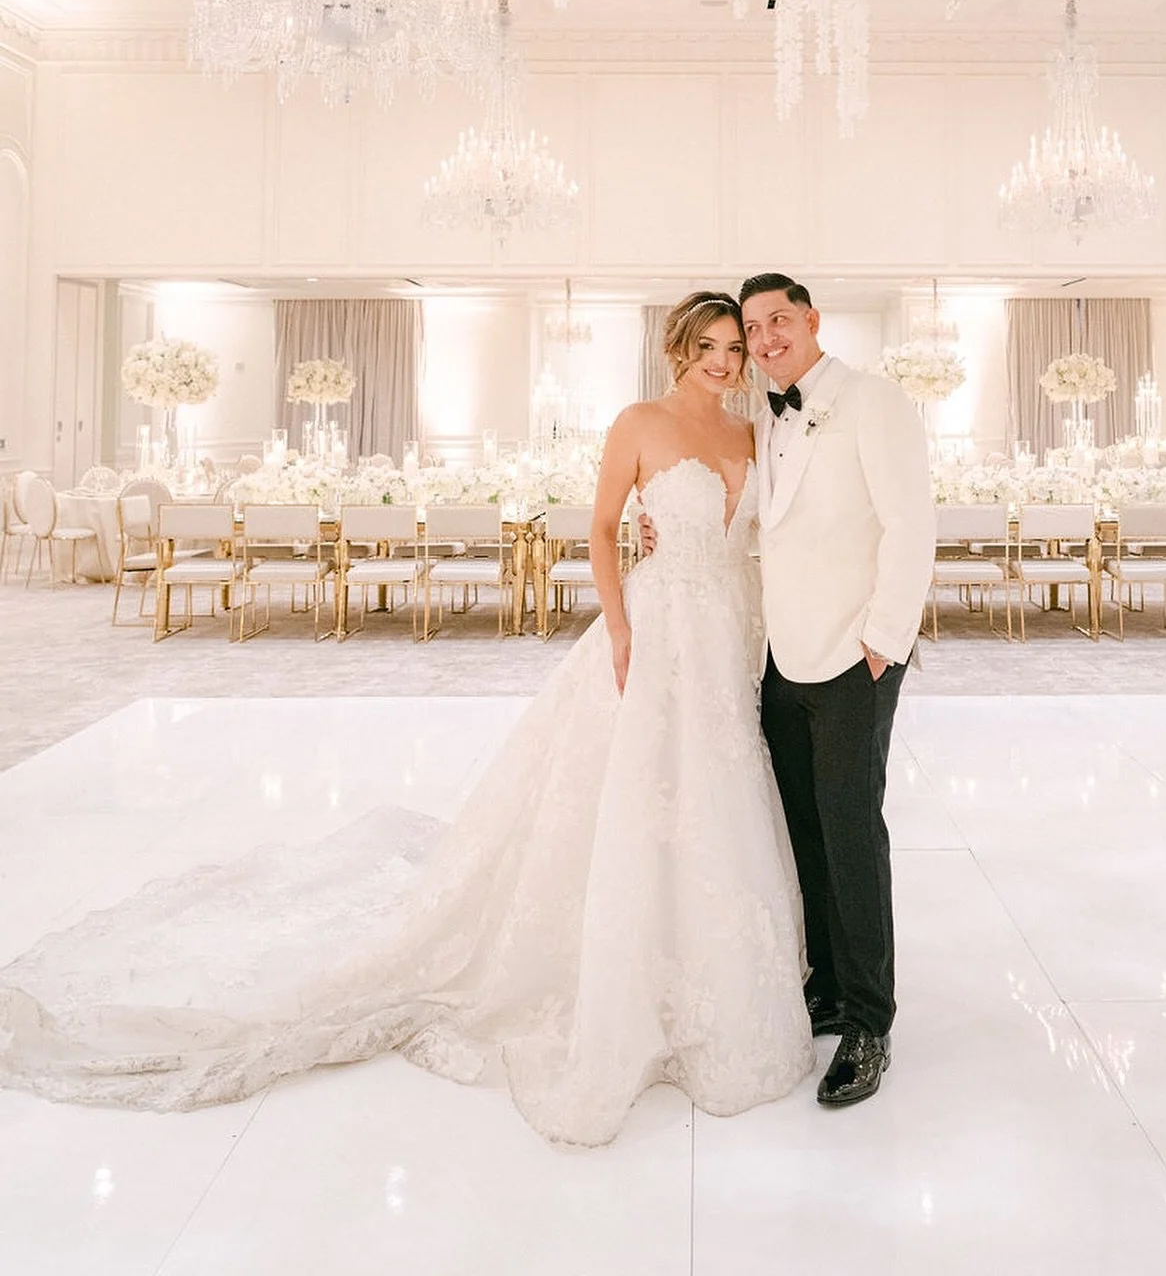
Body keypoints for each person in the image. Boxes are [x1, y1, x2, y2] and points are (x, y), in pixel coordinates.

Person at [0, 292, 813, 1147]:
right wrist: (617, 625)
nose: (725, 361)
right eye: (710, 346)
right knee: (634, 788)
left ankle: (704, 965)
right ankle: (621, 970)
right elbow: (604, 531)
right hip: (653, 630)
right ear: (680, 349)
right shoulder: (639, 422)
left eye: (735, 348)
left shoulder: (753, 430)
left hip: (730, 634)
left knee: (714, 789)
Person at [740, 273, 933, 1108]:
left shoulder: (874, 402)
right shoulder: (762, 418)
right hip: (783, 657)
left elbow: (911, 523)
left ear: (812, 320)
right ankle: (823, 985)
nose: (767, 337)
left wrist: (884, 641)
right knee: (806, 833)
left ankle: (868, 1020)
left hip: (856, 657)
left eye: (780, 319)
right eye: (754, 327)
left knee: (853, 834)